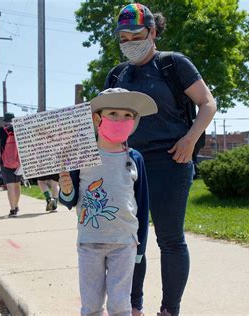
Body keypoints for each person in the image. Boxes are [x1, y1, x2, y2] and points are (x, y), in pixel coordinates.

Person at [106, 4, 217, 315]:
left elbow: (208, 104)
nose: (129, 42)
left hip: (171, 161)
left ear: (152, 32)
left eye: (136, 35)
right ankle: (133, 306)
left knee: (169, 239)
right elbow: (104, 122)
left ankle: (169, 309)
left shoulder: (173, 65)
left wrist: (190, 139)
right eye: (123, 38)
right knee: (131, 240)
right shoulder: (117, 74)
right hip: (128, 165)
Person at [59, 88, 156, 316]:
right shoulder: (81, 155)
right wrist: (66, 189)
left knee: (120, 306)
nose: (120, 120)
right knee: (91, 306)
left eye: (127, 115)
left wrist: (140, 245)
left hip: (124, 243)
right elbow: (69, 200)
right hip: (90, 242)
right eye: (113, 113)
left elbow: (142, 205)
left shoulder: (134, 158)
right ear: (97, 119)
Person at [0, 112, 22, 217]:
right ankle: (16, 205)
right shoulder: (20, 128)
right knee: (17, 185)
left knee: (10, 186)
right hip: (19, 161)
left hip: (5, 162)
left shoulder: (2, 129)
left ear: (5, 120)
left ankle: (13, 209)